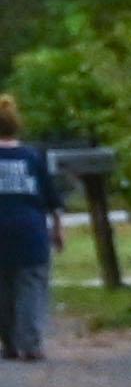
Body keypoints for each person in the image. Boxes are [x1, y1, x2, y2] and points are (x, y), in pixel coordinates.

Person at [0, 97, 58, 363]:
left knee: (4, 289)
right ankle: (31, 344)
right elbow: (51, 199)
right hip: (30, 231)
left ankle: (10, 343)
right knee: (31, 286)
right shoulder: (33, 157)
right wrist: (57, 230)